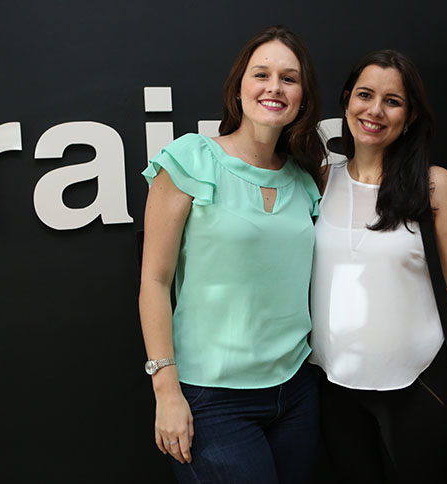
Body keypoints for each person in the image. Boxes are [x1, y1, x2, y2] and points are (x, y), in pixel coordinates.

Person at [309, 50, 447, 483]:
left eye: (393, 101)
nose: (375, 111)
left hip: (418, 389)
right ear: (346, 100)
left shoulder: (435, 186)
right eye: (365, 95)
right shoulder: (321, 179)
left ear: (411, 115)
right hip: (335, 391)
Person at [138, 25, 326, 484]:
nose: (274, 87)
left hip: (296, 392)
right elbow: (154, 282)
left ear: (303, 97)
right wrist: (166, 392)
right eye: (261, 74)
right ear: (239, 88)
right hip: (212, 398)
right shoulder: (190, 159)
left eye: (289, 78)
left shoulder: (305, 180)